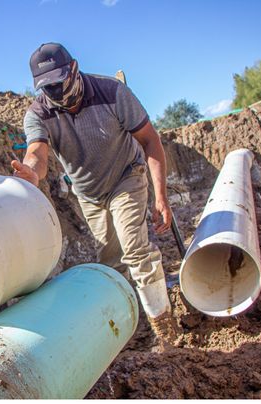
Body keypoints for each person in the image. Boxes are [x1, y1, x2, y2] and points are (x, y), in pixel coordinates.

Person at [12, 43, 179, 346]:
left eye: (60, 82)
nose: (57, 93)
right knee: (111, 264)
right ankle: (133, 326)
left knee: (136, 250)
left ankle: (166, 329)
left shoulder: (111, 92)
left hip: (126, 176)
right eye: (48, 88)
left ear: (74, 69)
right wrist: (32, 173)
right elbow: (37, 152)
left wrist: (160, 197)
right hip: (89, 195)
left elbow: (150, 141)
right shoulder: (38, 113)